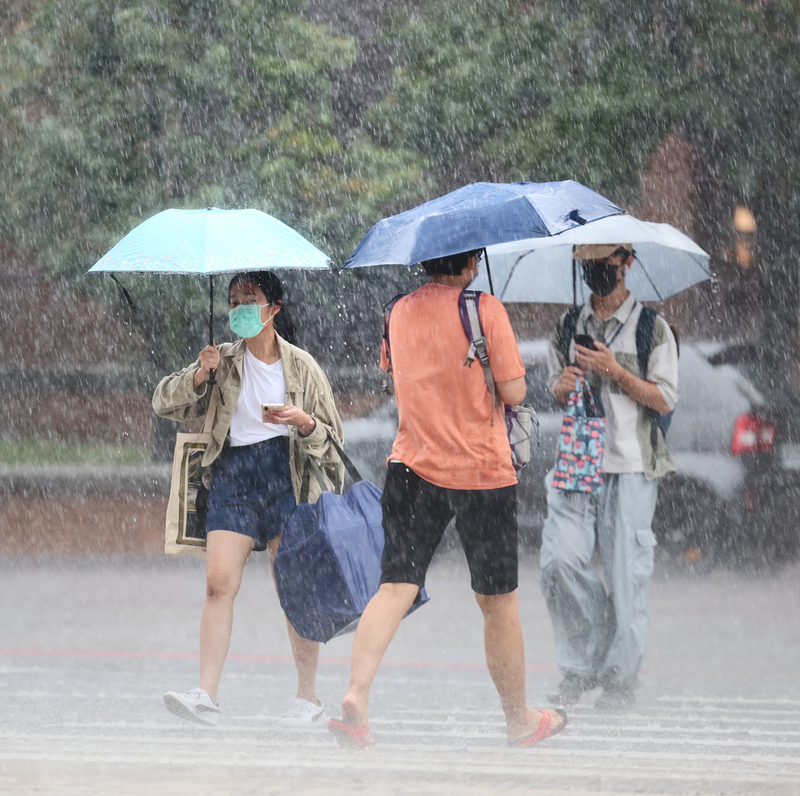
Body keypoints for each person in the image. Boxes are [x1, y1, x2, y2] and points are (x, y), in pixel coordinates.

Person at [328, 250, 568, 748]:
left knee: (395, 587)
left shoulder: (397, 310)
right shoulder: (484, 309)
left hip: (411, 466)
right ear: (472, 262)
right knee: (497, 602)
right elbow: (516, 390)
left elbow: (398, 373)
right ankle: (518, 719)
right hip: (480, 471)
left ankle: (356, 696)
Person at [153, 271, 344, 729]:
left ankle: (308, 697)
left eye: (250, 299)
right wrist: (200, 373)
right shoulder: (221, 361)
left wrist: (305, 423)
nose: (239, 307)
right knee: (218, 583)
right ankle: (206, 694)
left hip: (286, 476)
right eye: (234, 300)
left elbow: (334, 442)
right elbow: (164, 402)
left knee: (292, 589)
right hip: (233, 476)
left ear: (273, 308)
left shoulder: (302, 367)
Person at [541, 244, 679, 711]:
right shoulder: (567, 325)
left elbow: (664, 400)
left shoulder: (651, 329)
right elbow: (554, 390)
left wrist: (614, 370)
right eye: (587, 264)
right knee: (559, 564)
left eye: (605, 264)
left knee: (626, 579)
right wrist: (560, 387)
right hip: (577, 463)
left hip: (630, 465)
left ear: (627, 263)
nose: (596, 272)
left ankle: (620, 680)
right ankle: (583, 664)